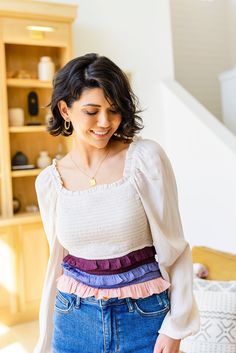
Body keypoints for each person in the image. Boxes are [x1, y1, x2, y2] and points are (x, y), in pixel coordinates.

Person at [34, 53, 199, 353]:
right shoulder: (49, 183)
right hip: (73, 321)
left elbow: (175, 250)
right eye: (91, 111)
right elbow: (57, 261)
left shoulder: (145, 160)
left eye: (113, 111)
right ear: (65, 110)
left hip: (144, 319)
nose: (104, 122)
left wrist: (176, 326)